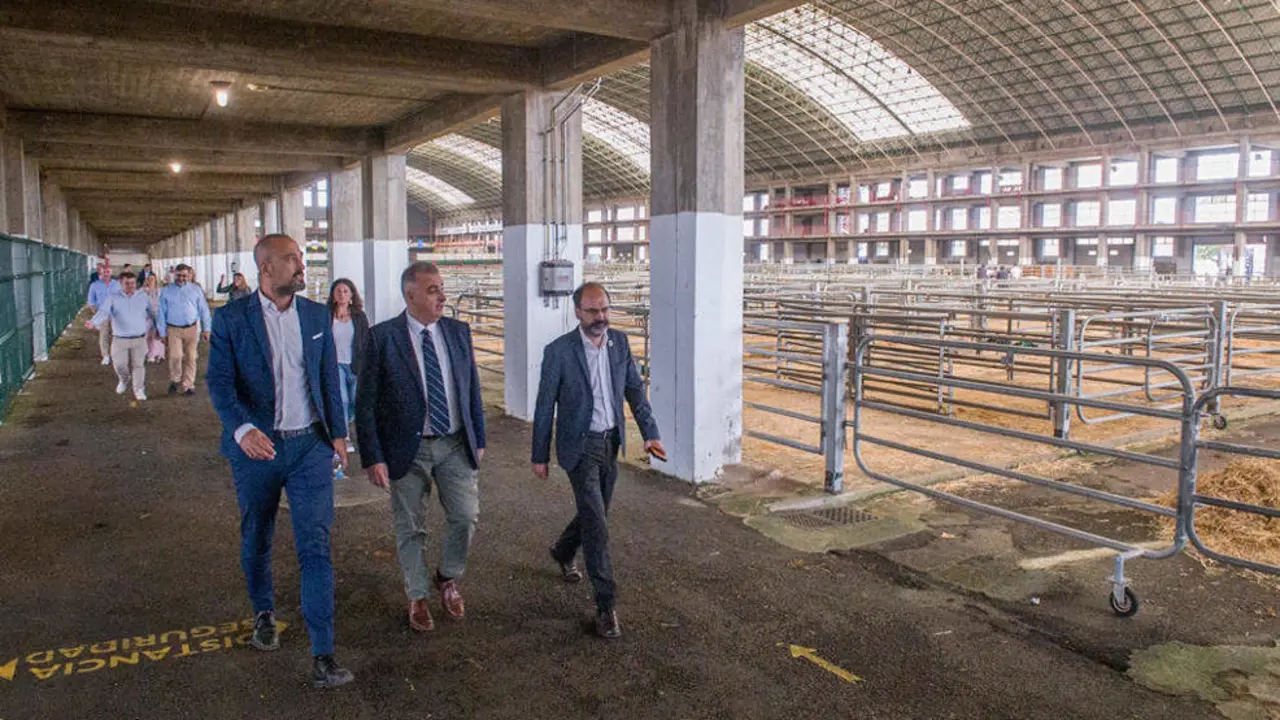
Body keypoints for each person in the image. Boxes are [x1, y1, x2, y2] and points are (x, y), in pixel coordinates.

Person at [206, 233, 353, 689]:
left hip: (309, 446)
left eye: (300, 258)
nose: (300, 265)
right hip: (257, 451)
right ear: (266, 268)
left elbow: (328, 377)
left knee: (315, 546)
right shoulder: (231, 319)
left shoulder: (314, 315)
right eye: (291, 259)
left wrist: (340, 435)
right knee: (258, 535)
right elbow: (220, 384)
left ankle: (323, 653)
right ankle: (264, 612)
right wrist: (243, 429)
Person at [356, 262, 485, 633]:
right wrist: (373, 455)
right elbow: (365, 403)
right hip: (405, 449)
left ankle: (448, 576)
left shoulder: (458, 332)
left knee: (465, 516)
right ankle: (417, 594)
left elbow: (471, 388)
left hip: (455, 443)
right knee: (410, 525)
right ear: (410, 294)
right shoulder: (382, 337)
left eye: (442, 288)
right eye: (432, 290)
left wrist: (479, 438)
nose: (442, 295)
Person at [531, 282, 664, 639]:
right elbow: (545, 406)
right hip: (579, 447)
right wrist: (539, 455)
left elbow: (634, 390)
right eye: (592, 311)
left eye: (604, 309)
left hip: (610, 444)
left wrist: (650, 433)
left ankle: (562, 550)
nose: (600, 317)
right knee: (598, 527)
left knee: (596, 514)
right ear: (577, 312)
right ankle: (606, 606)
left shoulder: (619, 343)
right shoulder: (558, 352)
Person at [85, 271, 154, 401]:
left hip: (139, 337)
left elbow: (152, 312)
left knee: (139, 364)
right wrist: (93, 322)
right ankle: (124, 378)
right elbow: (104, 311)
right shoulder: (113, 297)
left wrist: (159, 329)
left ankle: (139, 389)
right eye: (127, 283)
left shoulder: (143, 297)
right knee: (119, 364)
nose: (131, 286)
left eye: (133, 283)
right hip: (120, 338)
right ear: (120, 284)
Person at [157, 264, 212, 396]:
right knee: (175, 356)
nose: (181, 278)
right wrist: (162, 333)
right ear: (174, 275)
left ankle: (188, 385)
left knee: (191, 357)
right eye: (179, 275)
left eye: (184, 275)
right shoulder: (166, 290)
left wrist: (207, 329)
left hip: (192, 328)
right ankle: (175, 380)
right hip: (173, 329)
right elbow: (161, 313)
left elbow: (204, 309)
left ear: (189, 275)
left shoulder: (196, 290)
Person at [326, 279, 369, 443]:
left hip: (355, 365)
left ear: (351, 294)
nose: (342, 294)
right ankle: (344, 437)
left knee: (354, 401)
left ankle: (353, 425)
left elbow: (365, 341)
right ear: (333, 295)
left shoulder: (359, 317)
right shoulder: (327, 315)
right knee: (342, 400)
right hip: (336, 365)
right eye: (338, 291)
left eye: (345, 291)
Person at [86, 264, 121, 366]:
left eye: (108, 272)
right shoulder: (95, 285)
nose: (106, 274)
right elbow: (91, 301)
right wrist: (95, 313)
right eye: (104, 272)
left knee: (117, 335)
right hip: (102, 313)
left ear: (111, 273)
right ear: (100, 273)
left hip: (115, 313)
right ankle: (105, 356)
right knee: (104, 334)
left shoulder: (117, 284)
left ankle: (116, 354)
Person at [142, 274, 166, 364]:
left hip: (158, 315)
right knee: (146, 335)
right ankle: (147, 353)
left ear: (156, 280)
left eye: (153, 279)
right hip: (146, 316)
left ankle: (157, 354)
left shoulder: (160, 291)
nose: (151, 281)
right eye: (149, 279)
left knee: (157, 335)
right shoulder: (143, 291)